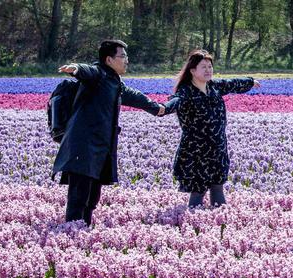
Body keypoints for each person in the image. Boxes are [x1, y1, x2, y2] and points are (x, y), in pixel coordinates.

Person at [54, 39, 167, 226]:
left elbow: (134, 96)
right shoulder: (98, 75)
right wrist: (76, 68)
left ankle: (83, 230)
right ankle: (72, 231)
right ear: (108, 59)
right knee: (78, 197)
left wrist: (156, 108)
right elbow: (88, 71)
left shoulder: (114, 82)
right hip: (83, 148)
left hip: (100, 148)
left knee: (92, 199)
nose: (126, 60)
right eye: (122, 56)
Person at [163, 49, 260, 208]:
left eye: (210, 66)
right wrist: (162, 108)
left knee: (218, 189)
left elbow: (232, 84)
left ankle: (218, 226)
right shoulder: (185, 92)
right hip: (196, 151)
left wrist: (250, 82)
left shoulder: (214, 87)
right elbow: (174, 102)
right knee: (197, 193)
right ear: (193, 71)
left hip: (218, 148)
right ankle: (192, 228)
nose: (208, 70)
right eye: (204, 67)